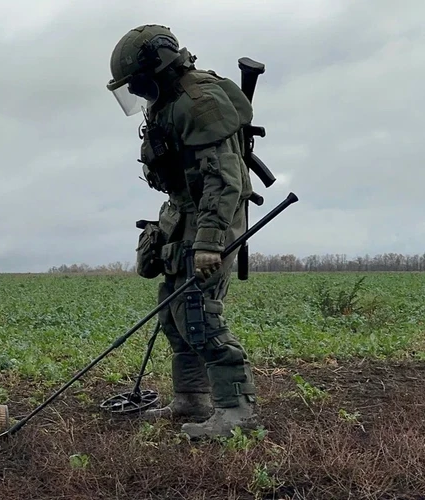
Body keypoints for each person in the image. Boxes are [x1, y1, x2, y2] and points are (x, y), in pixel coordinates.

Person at [107, 24, 261, 438]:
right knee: (174, 314)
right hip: (185, 214)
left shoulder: (199, 102)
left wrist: (210, 243)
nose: (137, 94)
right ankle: (191, 398)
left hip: (213, 216)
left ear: (157, 67)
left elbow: (225, 178)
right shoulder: (168, 102)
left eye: (137, 84)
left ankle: (236, 410)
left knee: (200, 313)